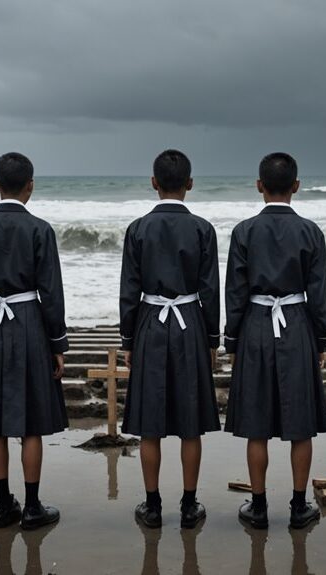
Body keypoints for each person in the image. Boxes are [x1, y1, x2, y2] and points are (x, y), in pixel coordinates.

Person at [224, 152, 326, 530]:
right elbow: (320, 295)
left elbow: (234, 293)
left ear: (259, 186)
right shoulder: (310, 232)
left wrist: (231, 342)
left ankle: (259, 507)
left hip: (255, 324)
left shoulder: (244, 231)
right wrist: (321, 341)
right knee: (300, 424)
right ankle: (300, 507)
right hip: (297, 325)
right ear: (296, 187)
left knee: (257, 423)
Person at [0, 152, 69, 530]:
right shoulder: (41, 229)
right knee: (31, 423)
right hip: (30, 324)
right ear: (30, 186)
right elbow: (51, 293)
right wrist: (58, 343)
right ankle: (33, 506)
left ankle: (2, 505)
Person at [119, 149, 221, 529]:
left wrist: (128, 339)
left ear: (154, 182)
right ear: (189, 184)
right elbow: (210, 289)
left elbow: (129, 290)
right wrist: (212, 339)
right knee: (190, 421)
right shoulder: (202, 229)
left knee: (150, 422)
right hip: (190, 323)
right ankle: (190, 505)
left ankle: (153, 505)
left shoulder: (138, 228)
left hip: (149, 322)